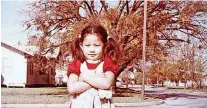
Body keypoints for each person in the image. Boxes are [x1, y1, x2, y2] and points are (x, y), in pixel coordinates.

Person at [67, 24, 121, 108]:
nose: (92, 50)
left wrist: (84, 77)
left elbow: (106, 83)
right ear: (81, 46)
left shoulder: (107, 63)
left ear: (105, 45)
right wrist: (98, 81)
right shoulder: (77, 64)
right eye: (87, 45)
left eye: (96, 45)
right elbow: (71, 88)